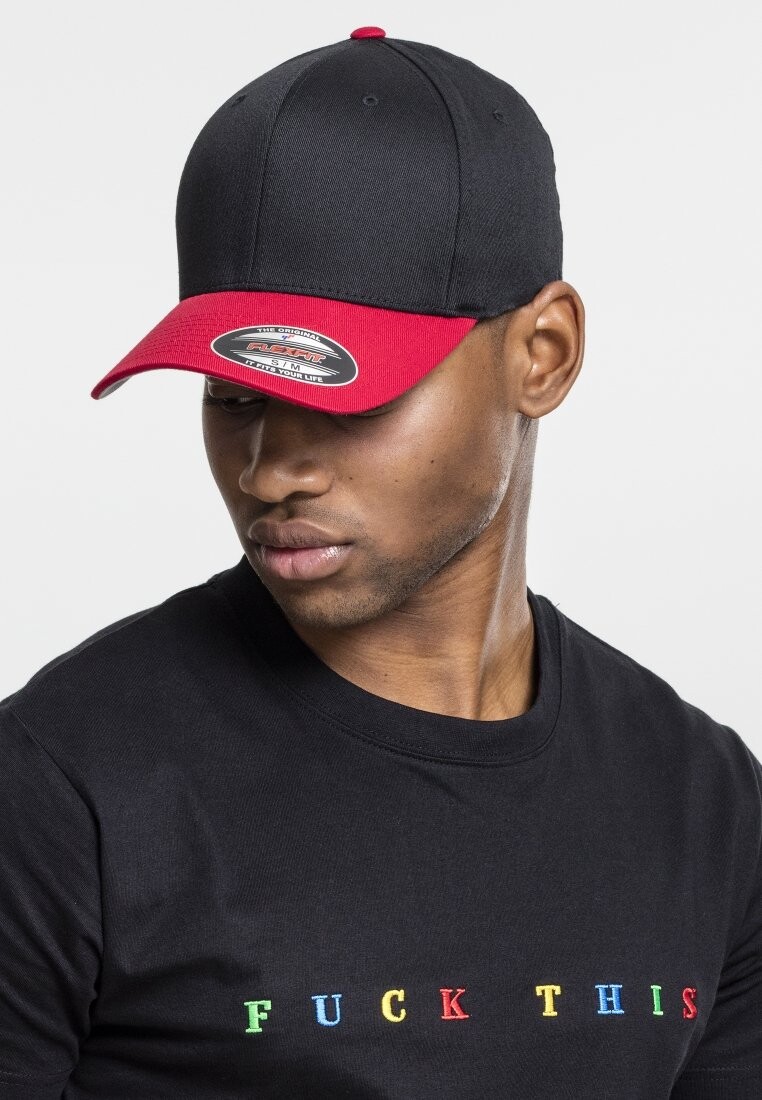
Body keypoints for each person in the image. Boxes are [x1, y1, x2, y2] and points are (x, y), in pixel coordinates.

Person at [1, 25, 759, 1100]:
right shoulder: (58, 790)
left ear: (542, 355)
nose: (271, 469)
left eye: (346, 390)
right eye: (232, 393)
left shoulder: (704, 801)